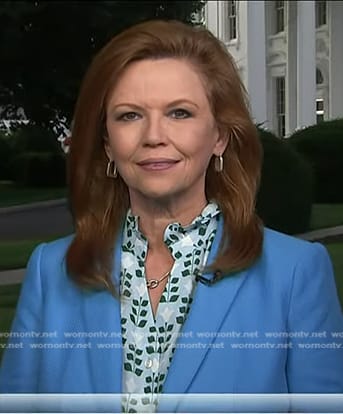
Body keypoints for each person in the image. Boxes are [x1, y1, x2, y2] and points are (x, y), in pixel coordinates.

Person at [0, 19, 342, 413]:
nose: (153, 135)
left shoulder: (295, 274)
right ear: (107, 144)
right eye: (129, 115)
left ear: (219, 137)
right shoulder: (50, 272)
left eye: (180, 113)